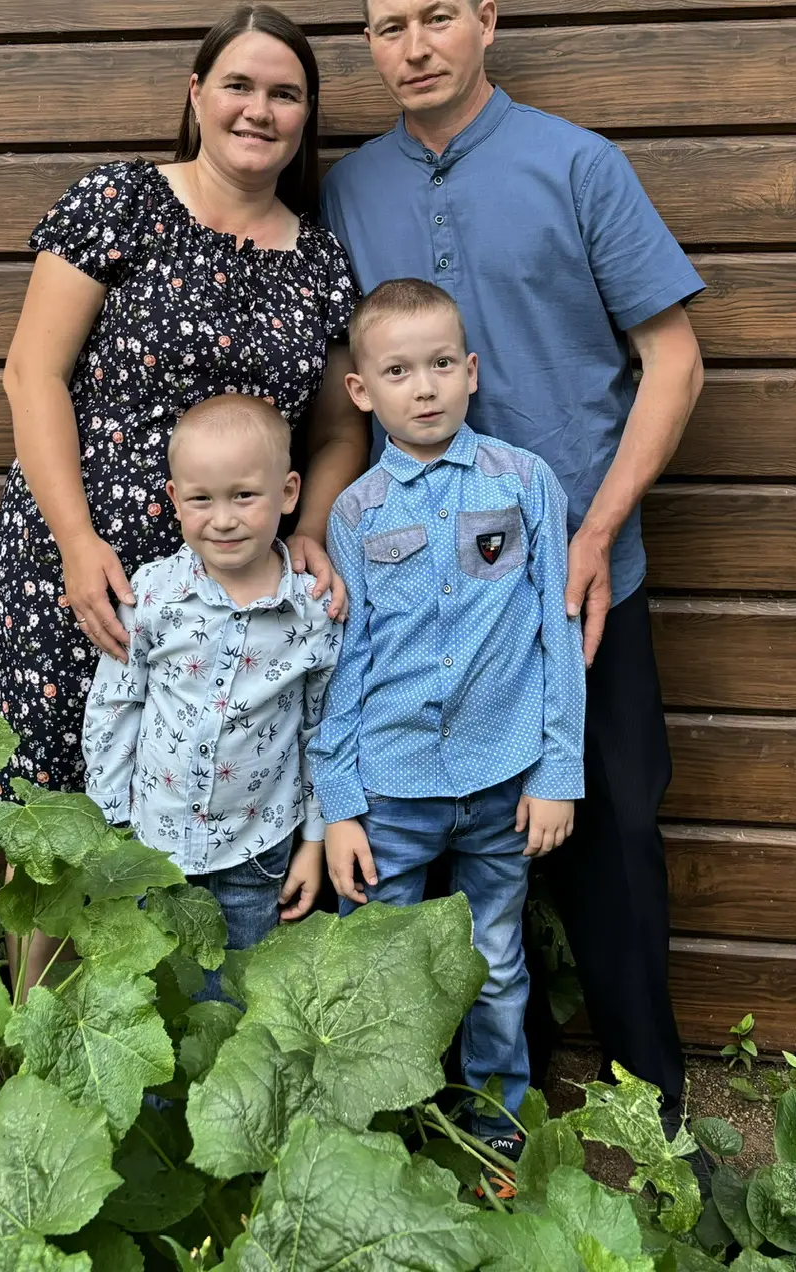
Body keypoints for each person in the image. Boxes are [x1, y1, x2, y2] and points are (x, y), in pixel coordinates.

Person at [321, 0, 705, 1119]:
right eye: (390, 27)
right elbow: (340, 385)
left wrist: (595, 533)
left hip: (580, 582)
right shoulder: (348, 189)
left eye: (438, 16)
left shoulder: (578, 165)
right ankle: (485, 1107)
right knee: (445, 860)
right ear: (370, 45)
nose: (416, 45)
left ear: (485, 22)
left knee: (611, 835)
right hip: (416, 598)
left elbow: (675, 358)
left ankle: (653, 1109)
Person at [0, 5, 366, 978]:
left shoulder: (319, 262)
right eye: (238, 85)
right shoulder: (120, 203)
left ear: (305, 117)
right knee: (58, 814)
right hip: (86, 563)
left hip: (233, 580)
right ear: (196, 93)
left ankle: (178, 1042)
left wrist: (310, 527)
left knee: (213, 812)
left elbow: (341, 427)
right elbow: (33, 375)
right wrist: (75, 542)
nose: (258, 109)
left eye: (285, 94)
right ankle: (43, 1031)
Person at [309, 279, 584, 1157]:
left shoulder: (525, 483)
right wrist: (339, 806)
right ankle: (381, 1134)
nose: (422, 388)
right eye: (397, 371)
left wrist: (557, 772)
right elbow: (342, 666)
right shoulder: (356, 512)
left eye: (439, 365)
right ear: (362, 391)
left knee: (495, 965)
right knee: (379, 966)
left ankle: (494, 1132)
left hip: (504, 783)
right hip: (389, 793)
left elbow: (558, 633)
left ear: (470, 371)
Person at [83, 394, 339, 973]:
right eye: (202, 499)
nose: (223, 519)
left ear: (289, 493)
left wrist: (315, 841)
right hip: (151, 844)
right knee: (151, 988)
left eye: (244, 496)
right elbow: (115, 707)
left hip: (257, 851)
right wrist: (109, 826)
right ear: (175, 499)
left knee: (234, 997)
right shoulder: (152, 595)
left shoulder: (313, 611)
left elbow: (322, 730)